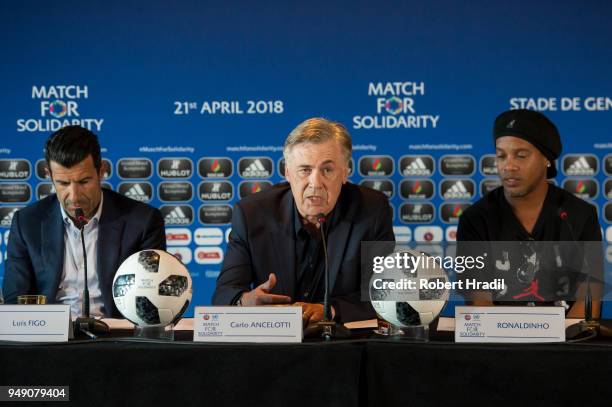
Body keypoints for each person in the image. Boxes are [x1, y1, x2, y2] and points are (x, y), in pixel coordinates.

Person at [212, 118, 394, 323]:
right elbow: (224, 295)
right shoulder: (252, 214)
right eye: (305, 170)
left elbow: (383, 295)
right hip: (275, 346)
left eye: (327, 170)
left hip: (343, 344)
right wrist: (245, 302)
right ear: (288, 173)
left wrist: (330, 310)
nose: (315, 183)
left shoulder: (372, 211)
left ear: (345, 173)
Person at [2, 126, 166, 317]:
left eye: (84, 181)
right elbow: (16, 299)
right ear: (49, 175)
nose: (74, 196)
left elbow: (152, 296)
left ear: (101, 171)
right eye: (63, 183)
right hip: (48, 337)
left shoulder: (143, 221)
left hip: (117, 338)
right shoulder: (26, 222)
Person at [457, 109, 602, 317]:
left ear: (547, 159)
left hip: (568, 346)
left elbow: (588, 304)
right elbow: (479, 306)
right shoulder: (475, 220)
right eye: (501, 155)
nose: (509, 166)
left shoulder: (580, 216)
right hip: (497, 346)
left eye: (521, 155)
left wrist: (561, 345)